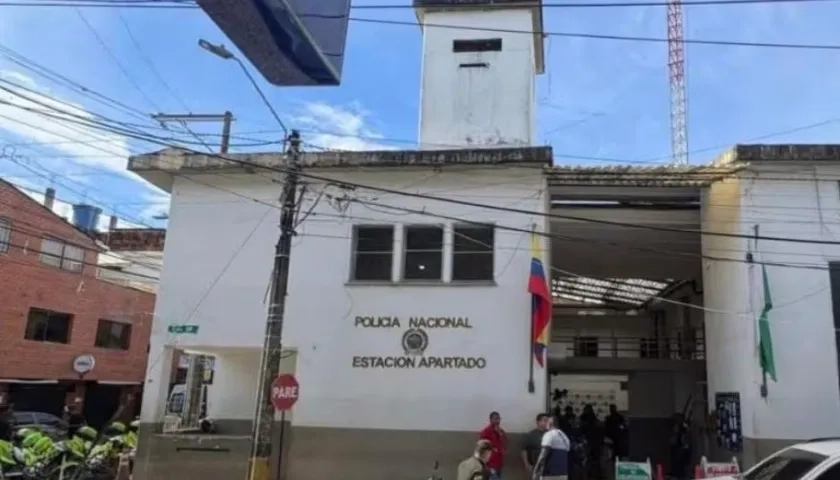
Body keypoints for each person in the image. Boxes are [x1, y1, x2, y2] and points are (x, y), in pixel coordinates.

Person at [533, 416, 571, 480]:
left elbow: (543, 455)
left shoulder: (549, 434)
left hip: (549, 474)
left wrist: (535, 471)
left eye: (546, 421)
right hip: (563, 474)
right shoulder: (565, 437)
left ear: (550, 423)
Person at [479, 411, 506, 479]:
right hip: (489, 464)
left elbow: (504, 445)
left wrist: (500, 435)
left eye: (499, 419)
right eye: (495, 419)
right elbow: (482, 448)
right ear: (490, 420)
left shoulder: (501, 432)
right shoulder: (485, 432)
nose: (497, 421)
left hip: (499, 463)